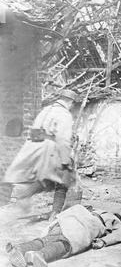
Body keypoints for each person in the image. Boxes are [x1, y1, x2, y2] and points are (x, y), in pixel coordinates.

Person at [4, 89, 78, 220]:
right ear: (70, 102)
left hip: (36, 147)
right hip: (51, 149)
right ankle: (55, 213)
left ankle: (24, 195)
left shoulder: (46, 110)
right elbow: (63, 139)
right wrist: (66, 160)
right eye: (73, 104)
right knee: (64, 180)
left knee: (46, 180)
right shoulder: (65, 114)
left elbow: (33, 131)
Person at [6, 204, 121, 267]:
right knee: (66, 243)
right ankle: (40, 255)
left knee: (46, 239)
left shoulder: (94, 208)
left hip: (67, 219)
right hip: (85, 226)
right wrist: (104, 241)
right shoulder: (113, 218)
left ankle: (20, 248)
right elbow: (120, 233)